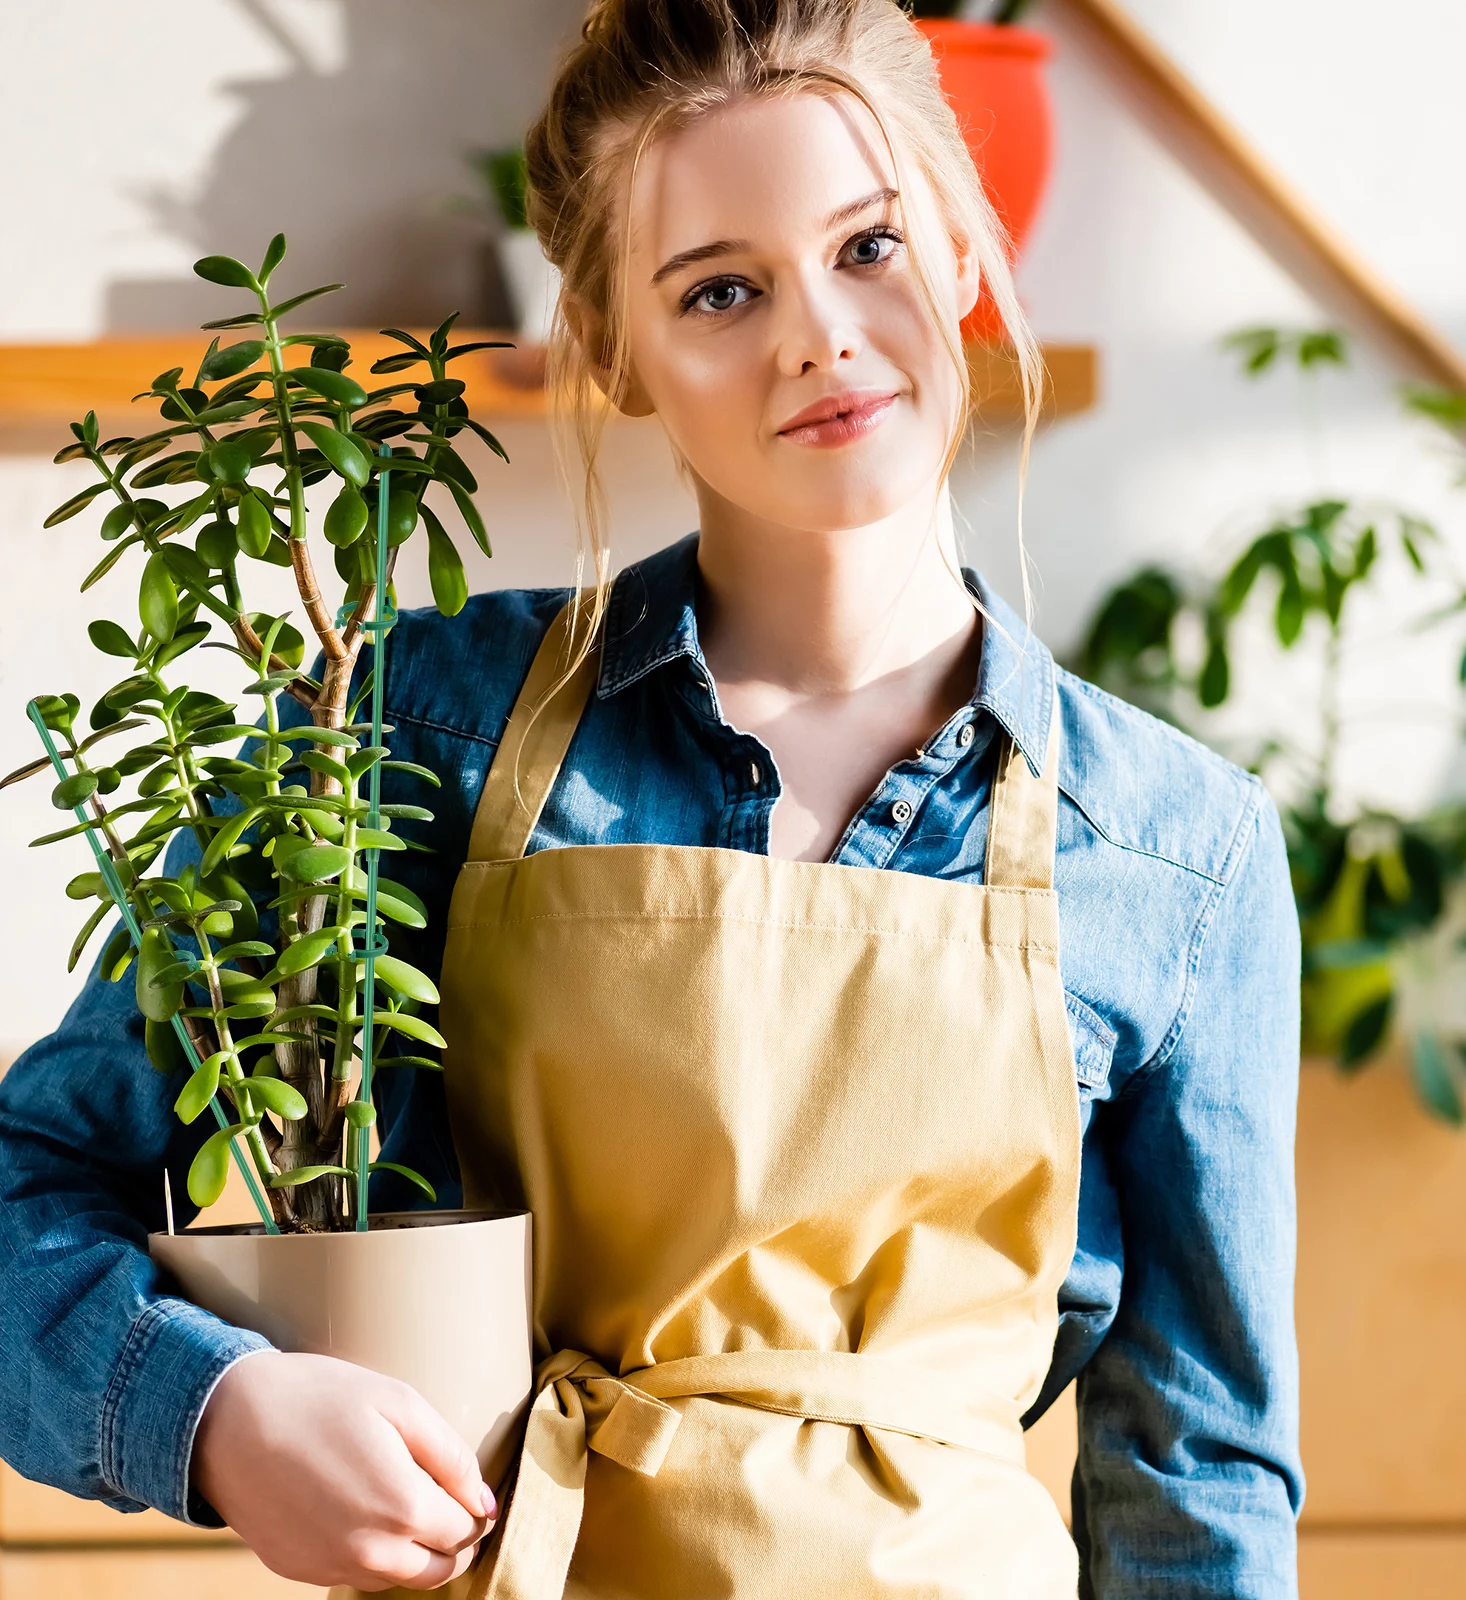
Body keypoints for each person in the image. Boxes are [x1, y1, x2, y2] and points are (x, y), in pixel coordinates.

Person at [0, 0, 1303, 1594]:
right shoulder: (410, 727)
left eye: (870, 248)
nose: (816, 333)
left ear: (969, 251)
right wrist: (215, 1413)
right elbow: (27, 1186)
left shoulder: (1182, 854)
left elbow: (1195, 1485)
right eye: (721, 291)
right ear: (612, 350)